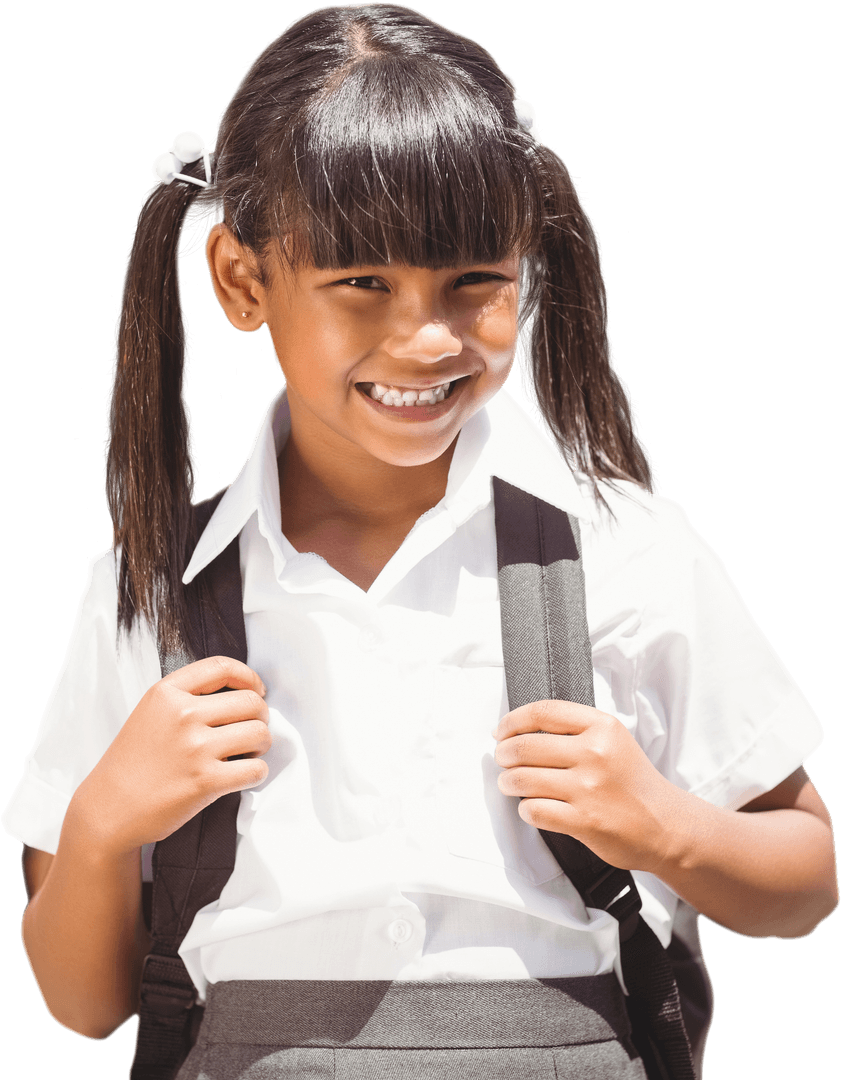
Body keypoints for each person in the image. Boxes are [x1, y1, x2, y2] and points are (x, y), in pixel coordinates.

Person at [3, 4, 837, 1078]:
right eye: (363, 284)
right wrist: (108, 818)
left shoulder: (632, 552)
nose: (429, 338)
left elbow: (804, 877)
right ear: (242, 283)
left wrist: (663, 827)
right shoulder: (147, 594)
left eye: (472, 282)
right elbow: (82, 1006)